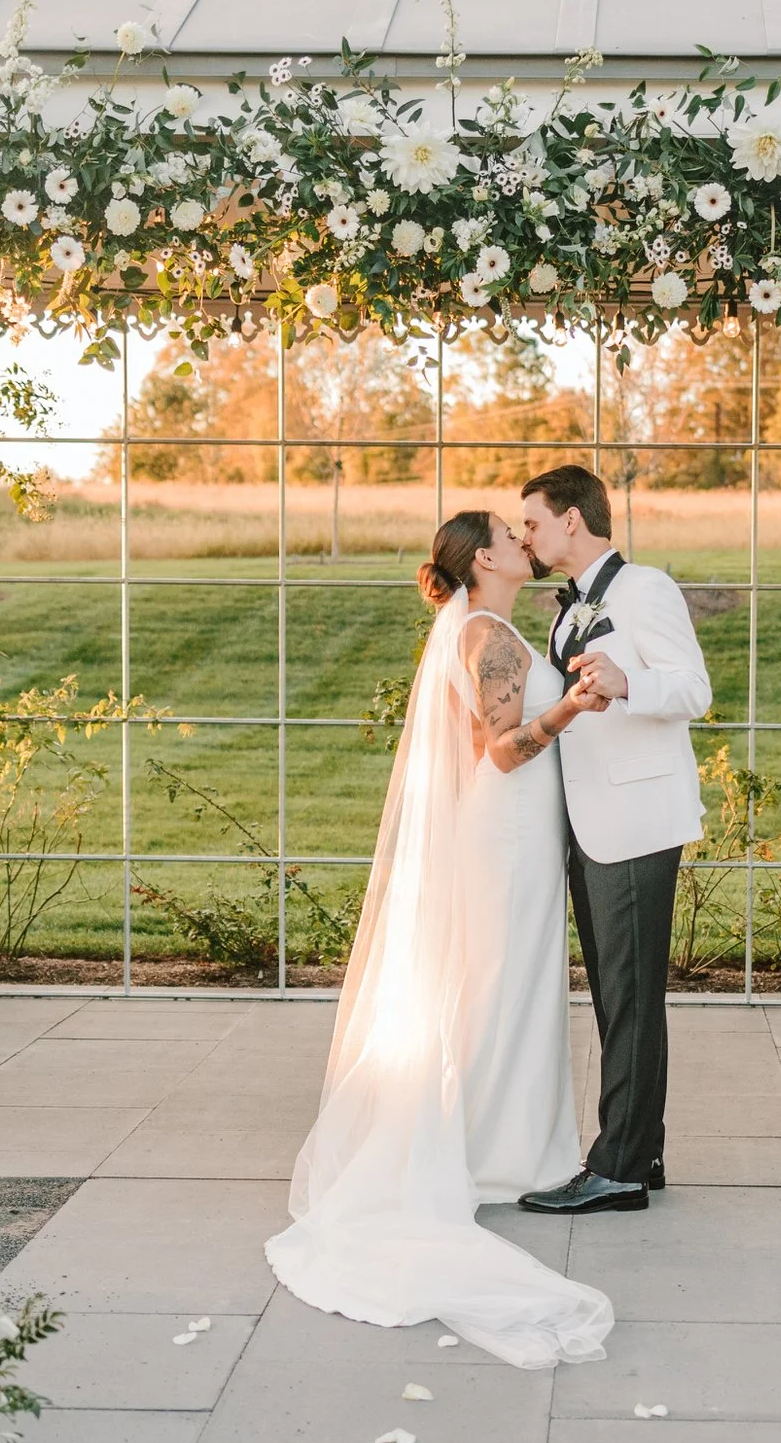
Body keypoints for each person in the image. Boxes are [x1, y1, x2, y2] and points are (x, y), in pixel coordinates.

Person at [265, 511, 617, 1368]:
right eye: (509, 530)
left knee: (506, 981)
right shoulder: (486, 633)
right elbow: (500, 750)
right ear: (486, 558)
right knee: (501, 984)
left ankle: (503, 1147)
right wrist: (571, 705)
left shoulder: (482, 627)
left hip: (512, 829)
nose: (524, 536)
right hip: (506, 828)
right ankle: (491, 1155)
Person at [514, 464, 713, 1215]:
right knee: (616, 998)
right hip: (590, 824)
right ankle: (643, 1151)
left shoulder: (645, 589)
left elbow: (693, 689)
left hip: (634, 822)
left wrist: (629, 683)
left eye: (531, 521)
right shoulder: (570, 610)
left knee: (629, 1000)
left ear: (572, 519)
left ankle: (618, 1166)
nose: (525, 535)